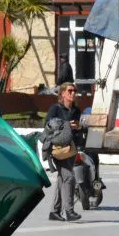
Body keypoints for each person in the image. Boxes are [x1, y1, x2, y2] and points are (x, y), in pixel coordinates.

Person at [44, 82, 82, 222]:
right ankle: (69, 211)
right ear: (63, 93)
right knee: (69, 177)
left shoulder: (76, 110)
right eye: (70, 91)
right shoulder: (55, 109)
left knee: (62, 179)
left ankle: (54, 211)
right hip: (57, 149)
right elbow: (48, 126)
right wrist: (67, 125)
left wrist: (79, 127)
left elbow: (78, 128)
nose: (73, 93)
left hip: (70, 149)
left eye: (74, 91)